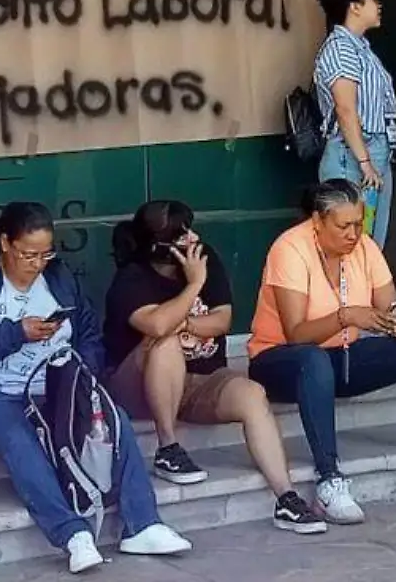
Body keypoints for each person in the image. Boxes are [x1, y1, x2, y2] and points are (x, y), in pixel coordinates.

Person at [0, 203, 190, 574]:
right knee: (17, 438)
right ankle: (73, 534)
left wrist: (79, 372)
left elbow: (88, 334)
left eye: (45, 253)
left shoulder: (57, 278)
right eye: (28, 254)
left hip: (55, 384)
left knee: (113, 419)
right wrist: (16, 333)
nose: (38, 263)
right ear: (6, 244)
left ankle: (144, 524)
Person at [247, 180, 396, 524]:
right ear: (318, 221)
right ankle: (329, 480)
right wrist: (347, 316)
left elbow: (391, 307)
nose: (353, 234)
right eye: (344, 226)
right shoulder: (290, 248)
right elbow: (297, 334)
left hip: (340, 358)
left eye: (359, 223)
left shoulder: (364, 247)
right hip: (281, 360)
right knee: (312, 359)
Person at [102, 200, 324, 534]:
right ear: (158, 246)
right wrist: (193, 286)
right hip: (138, 386)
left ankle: (286, 498)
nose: (193, 238)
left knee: (251, 393)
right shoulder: (132, 278)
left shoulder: (207, 257)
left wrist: (182, 321)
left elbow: (222, 320)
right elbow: (159, 327)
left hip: (199, 380)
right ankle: (167, 447)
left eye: (191, 228)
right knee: (164, 346)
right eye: (182, 234)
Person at [312, 0, 396, 250]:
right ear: (354, 6)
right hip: (352, 156)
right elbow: (345, 107)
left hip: (373, 152)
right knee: (352, 243)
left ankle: (363, 295)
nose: (379, 6)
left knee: (369, 244)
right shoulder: (342, 48)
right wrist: (364, 162)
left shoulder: (361, 47)